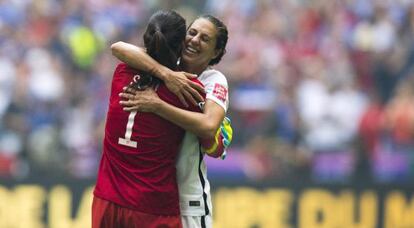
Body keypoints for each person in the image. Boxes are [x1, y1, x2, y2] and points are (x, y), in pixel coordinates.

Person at [93, 10, 211, 227]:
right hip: (152, 207)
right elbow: (210, 139)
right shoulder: (189, 91)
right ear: (180, 47)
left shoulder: (121, 73)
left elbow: (121, 49)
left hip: (107, 200)